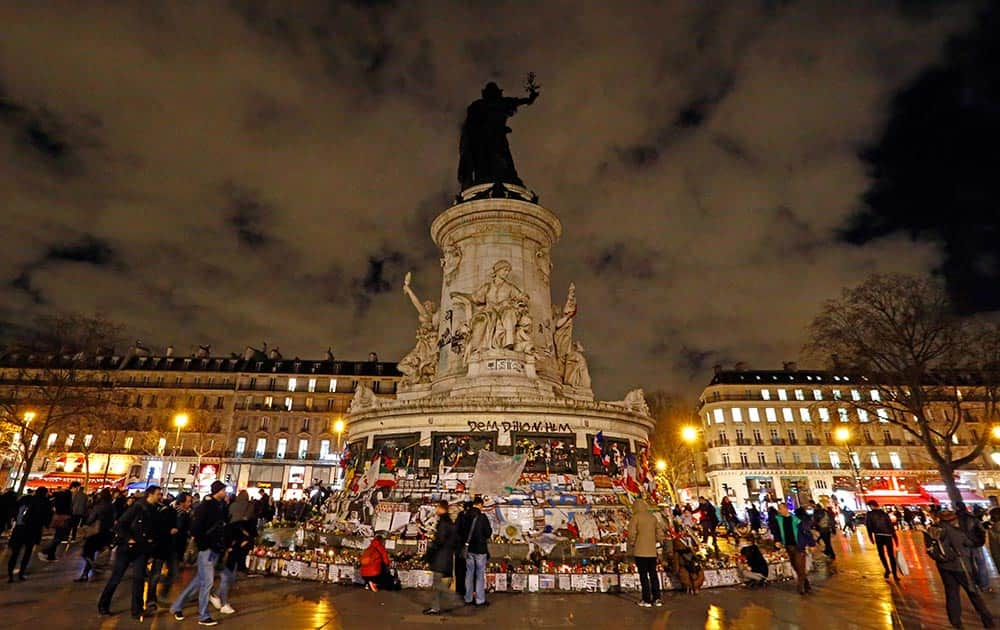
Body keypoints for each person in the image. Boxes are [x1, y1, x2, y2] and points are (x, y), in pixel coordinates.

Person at [98, 485, 162, 620]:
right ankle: (103, 605)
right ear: (150, 494)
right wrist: (129, 538)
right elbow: (120, 524)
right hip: (127, 548)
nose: (160, 496)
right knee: (116, 577)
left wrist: (151, 544)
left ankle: (137, 610)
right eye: (158, 494)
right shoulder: (137, 507)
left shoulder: (154, 510)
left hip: (142, 549)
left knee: (139, 579)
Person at [925, 509, 996, 629]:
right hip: (960, 565)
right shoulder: (954, 531)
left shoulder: (932, 530)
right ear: (952, 519)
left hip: (944, 567)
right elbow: (969, 543)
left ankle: (955, 622)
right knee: (973, 593)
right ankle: (988, 621)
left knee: (951, 593)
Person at [170, 480, 228, 626]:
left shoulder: (218, 506)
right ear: (218, 491)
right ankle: (203, 615)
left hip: (213, 548)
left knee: (199, 582)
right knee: (207, 583)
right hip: (207, 549)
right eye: (223, 490)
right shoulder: (207, 507)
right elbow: (196, 528)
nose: (225, 493)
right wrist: (204, 545)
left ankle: (177, 606)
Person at [211, 490, 255, 616]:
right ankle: (223, 603)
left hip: (230, 543)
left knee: (229, 575)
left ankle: (217, 596)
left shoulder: (232, 506)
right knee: (228, 575)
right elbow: (250, 524)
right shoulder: (249, 507)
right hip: (238, 545)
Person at [7, 487, 52, 582]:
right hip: (33, 530)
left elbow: (15, 509)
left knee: (15, 552)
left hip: (20, 528)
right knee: (27, 552)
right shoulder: (46, 502)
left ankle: (10, 575)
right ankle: (21, 573)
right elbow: (47, 518)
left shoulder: (26, 498)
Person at [424, 500, 459, 615]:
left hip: (440, 557)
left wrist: (430, 553)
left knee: (437, 583)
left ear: (442, 508)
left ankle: (453, 597)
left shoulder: (443, 522)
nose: (436, 509)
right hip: (446, 556)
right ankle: (435, 607)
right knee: (438, 583)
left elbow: (440, 541)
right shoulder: (449, 521)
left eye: (437, 507)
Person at [147, 492, 181, 609]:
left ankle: (159, 595)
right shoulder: (165, 511)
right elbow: (157, 528)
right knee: (156, 574)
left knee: (171, 573)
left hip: (169, 547)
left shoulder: (166, 511)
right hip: (162, 546)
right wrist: (170, 531)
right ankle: (153, 598)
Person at [627, 498, 663, 607]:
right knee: (653, 574)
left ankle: (646, 599)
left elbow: (631, 533)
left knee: (643, 575)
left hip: (640, 551)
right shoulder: (652, 518)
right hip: (652, 552)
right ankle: (657, 598)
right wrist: (657, 542)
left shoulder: (635, 517)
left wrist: (633, 542)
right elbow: (659, 533)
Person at [769, 502, 811, 595]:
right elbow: (776, 532)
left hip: (799, 545)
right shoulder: (778, 520)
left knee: (800, 565)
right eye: (779, 509)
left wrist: (810, 543)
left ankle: (801, 587)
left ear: (786, 509)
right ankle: (805, 582)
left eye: (782, 508)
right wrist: (777, 541)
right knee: (795, 565)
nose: (780, 511)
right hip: (788, 546)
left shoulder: (796, 519)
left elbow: (805, 532)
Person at [75, 488, 114, 582]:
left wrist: (85, 525)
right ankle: (87, 572)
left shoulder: (99, 506)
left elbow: (92, 517)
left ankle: (92, 568)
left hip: (96, 531)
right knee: (97, 551)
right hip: (107, 531)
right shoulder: (111, 506)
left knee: (87, 552)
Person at [460, 496, 492, 607]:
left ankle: (468, 598)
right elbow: (488, 533)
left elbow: (461, 532)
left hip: (469, 549)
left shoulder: (465, 516)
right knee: (479, 574)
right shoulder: (482, 517)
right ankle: (479, 599)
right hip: (480, 549)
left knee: (469, 573)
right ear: (480, 504)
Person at [958, 502, 991, 592]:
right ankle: (984, 585)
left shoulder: (955, 520)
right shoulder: (972, 517)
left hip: (964, 545)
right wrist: (980, 541)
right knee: (981, 564)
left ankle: (975, 584)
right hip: (976, 544)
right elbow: (981, 530)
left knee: (970, 565)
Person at [865, 500, 899, 581]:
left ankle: (887, 570)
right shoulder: (884, 513)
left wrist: (871, 537)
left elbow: (868, 526)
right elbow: (890, 525)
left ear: (872, 506)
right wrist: (895, 537)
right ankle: (895, 575)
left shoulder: (869, 514)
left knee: (881, 554)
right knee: (891, 555)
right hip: (888, 535)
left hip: (878, 535)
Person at [40, 483, 75, 561]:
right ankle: (46, 550)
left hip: (58, 517)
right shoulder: (67, 500)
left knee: (58, 536)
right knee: (60, 537)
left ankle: (51, 555)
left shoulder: (59, 500)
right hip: (64, 518)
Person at [453, 501, 472, 599]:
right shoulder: (473, 518)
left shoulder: (460, 517)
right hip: (469, 547)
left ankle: (459, 590)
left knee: (459, 570)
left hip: (459, 548)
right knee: (468, 570)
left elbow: (455, 531)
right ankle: (468, 591)